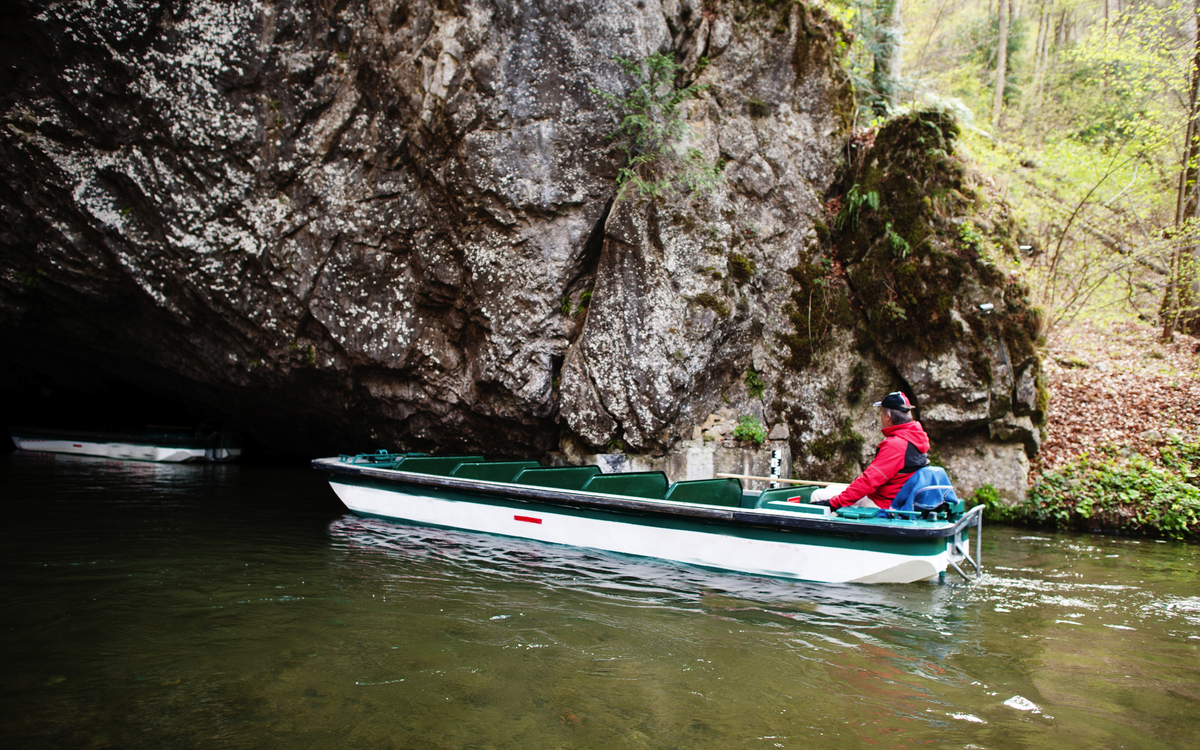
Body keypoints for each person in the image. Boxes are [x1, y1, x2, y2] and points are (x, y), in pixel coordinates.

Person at [808, 392, 930, 510]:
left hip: (882, 504)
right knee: (831, 488)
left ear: (888, 417)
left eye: (881, 413)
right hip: (894, 498)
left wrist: (835, 503)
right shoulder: (915, 438)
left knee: (817, 495)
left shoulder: (896, 446)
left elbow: (869, 481)